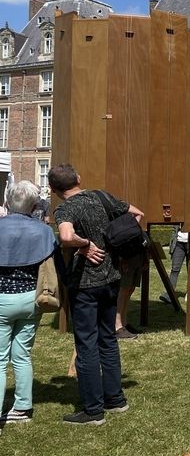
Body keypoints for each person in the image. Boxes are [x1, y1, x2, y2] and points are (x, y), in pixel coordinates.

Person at [49, 163, 142, 425]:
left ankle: (93, 410)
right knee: (108, 339)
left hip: (86, 285)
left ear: (54, 189)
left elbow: (66, 236)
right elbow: (137, 214)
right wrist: (115, 246)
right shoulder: (102, 196)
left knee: (86, 344)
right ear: (79, 178)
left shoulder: (65, 208)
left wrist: (84, 245)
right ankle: (115, 399)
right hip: (111, 277)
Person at [0, 181, 56, 425]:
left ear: (7, 203)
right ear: (34, 205)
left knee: (0, 358)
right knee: (22, 355)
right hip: (32, 298)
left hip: (2, 298)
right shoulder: (43, 231)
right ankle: (22, 407)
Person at [159, 226, 190, 303]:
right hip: (178, 244)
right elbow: (174, 229)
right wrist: (172, 245)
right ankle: (169, 295)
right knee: (174, 269)